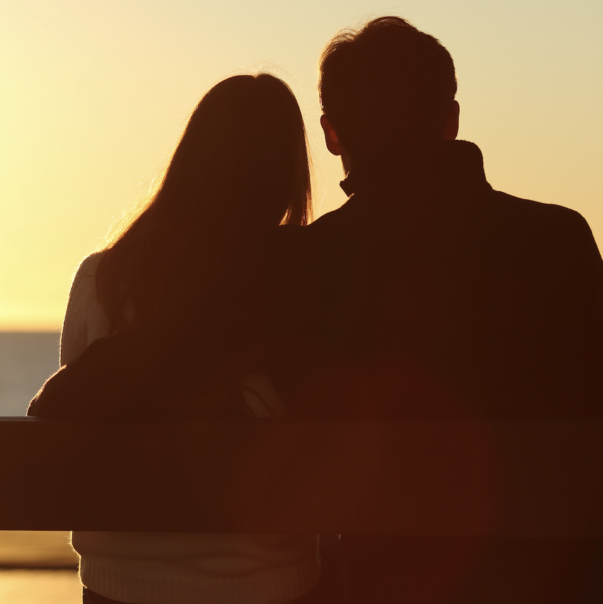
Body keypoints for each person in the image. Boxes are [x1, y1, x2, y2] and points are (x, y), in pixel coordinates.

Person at [32, 17, 603, 603]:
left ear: (332, 133)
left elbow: (141, 368)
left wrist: (74, 391)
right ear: (451, 119)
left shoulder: (310, 263)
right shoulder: (563, 241)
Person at [31, 74, 345, 604]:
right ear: (285, 174)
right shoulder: (301, 283)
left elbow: (70, 434)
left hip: (117, 588)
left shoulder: (101, 281)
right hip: (270, 586)